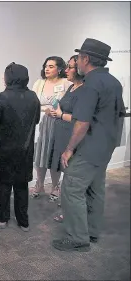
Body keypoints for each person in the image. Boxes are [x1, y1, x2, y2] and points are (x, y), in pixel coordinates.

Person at [52, 38, 126, 252]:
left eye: (79, 59)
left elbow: (82, 121)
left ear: (85, 59)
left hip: (90, 146)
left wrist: (69, 149)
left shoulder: (91, 84)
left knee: (71, 189)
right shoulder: (113, 82)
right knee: (95, 189)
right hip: (106, 146)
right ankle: (92, 231)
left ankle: (77, 237)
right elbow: (119, 114)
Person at [0, 63, 40, 231]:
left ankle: (3, 219)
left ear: (8, 78)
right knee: (22, 186)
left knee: (3, 185)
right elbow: (37, 120)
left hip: (4, 149)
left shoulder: (2, 97)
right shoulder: (33, 96)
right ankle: (23, 221)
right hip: (25, 149)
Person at [50, 55, 84, 223]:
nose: (66, 70)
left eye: (70, 67)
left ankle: (70, 213)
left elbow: (82, 119)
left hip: (72, 135)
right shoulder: (71, 87)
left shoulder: (84, 90)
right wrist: (56, 112)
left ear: (79, 69)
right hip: (61, 134)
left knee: (71, 175)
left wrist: (61, 115)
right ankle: (66, 207)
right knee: (65, 173)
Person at [31, 56, 71, 201]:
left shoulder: (66, 83)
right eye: (46, 66)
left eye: (51, 66)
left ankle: (55, 186)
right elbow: (33, 102)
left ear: (60, 69)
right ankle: (39, 184)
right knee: (40, 154)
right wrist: (45, 110)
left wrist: (58, 112)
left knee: (54, 155)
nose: (47, 69)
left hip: (58, 123)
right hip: (41, 123)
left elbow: (68, 104)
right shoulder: (39, 83)